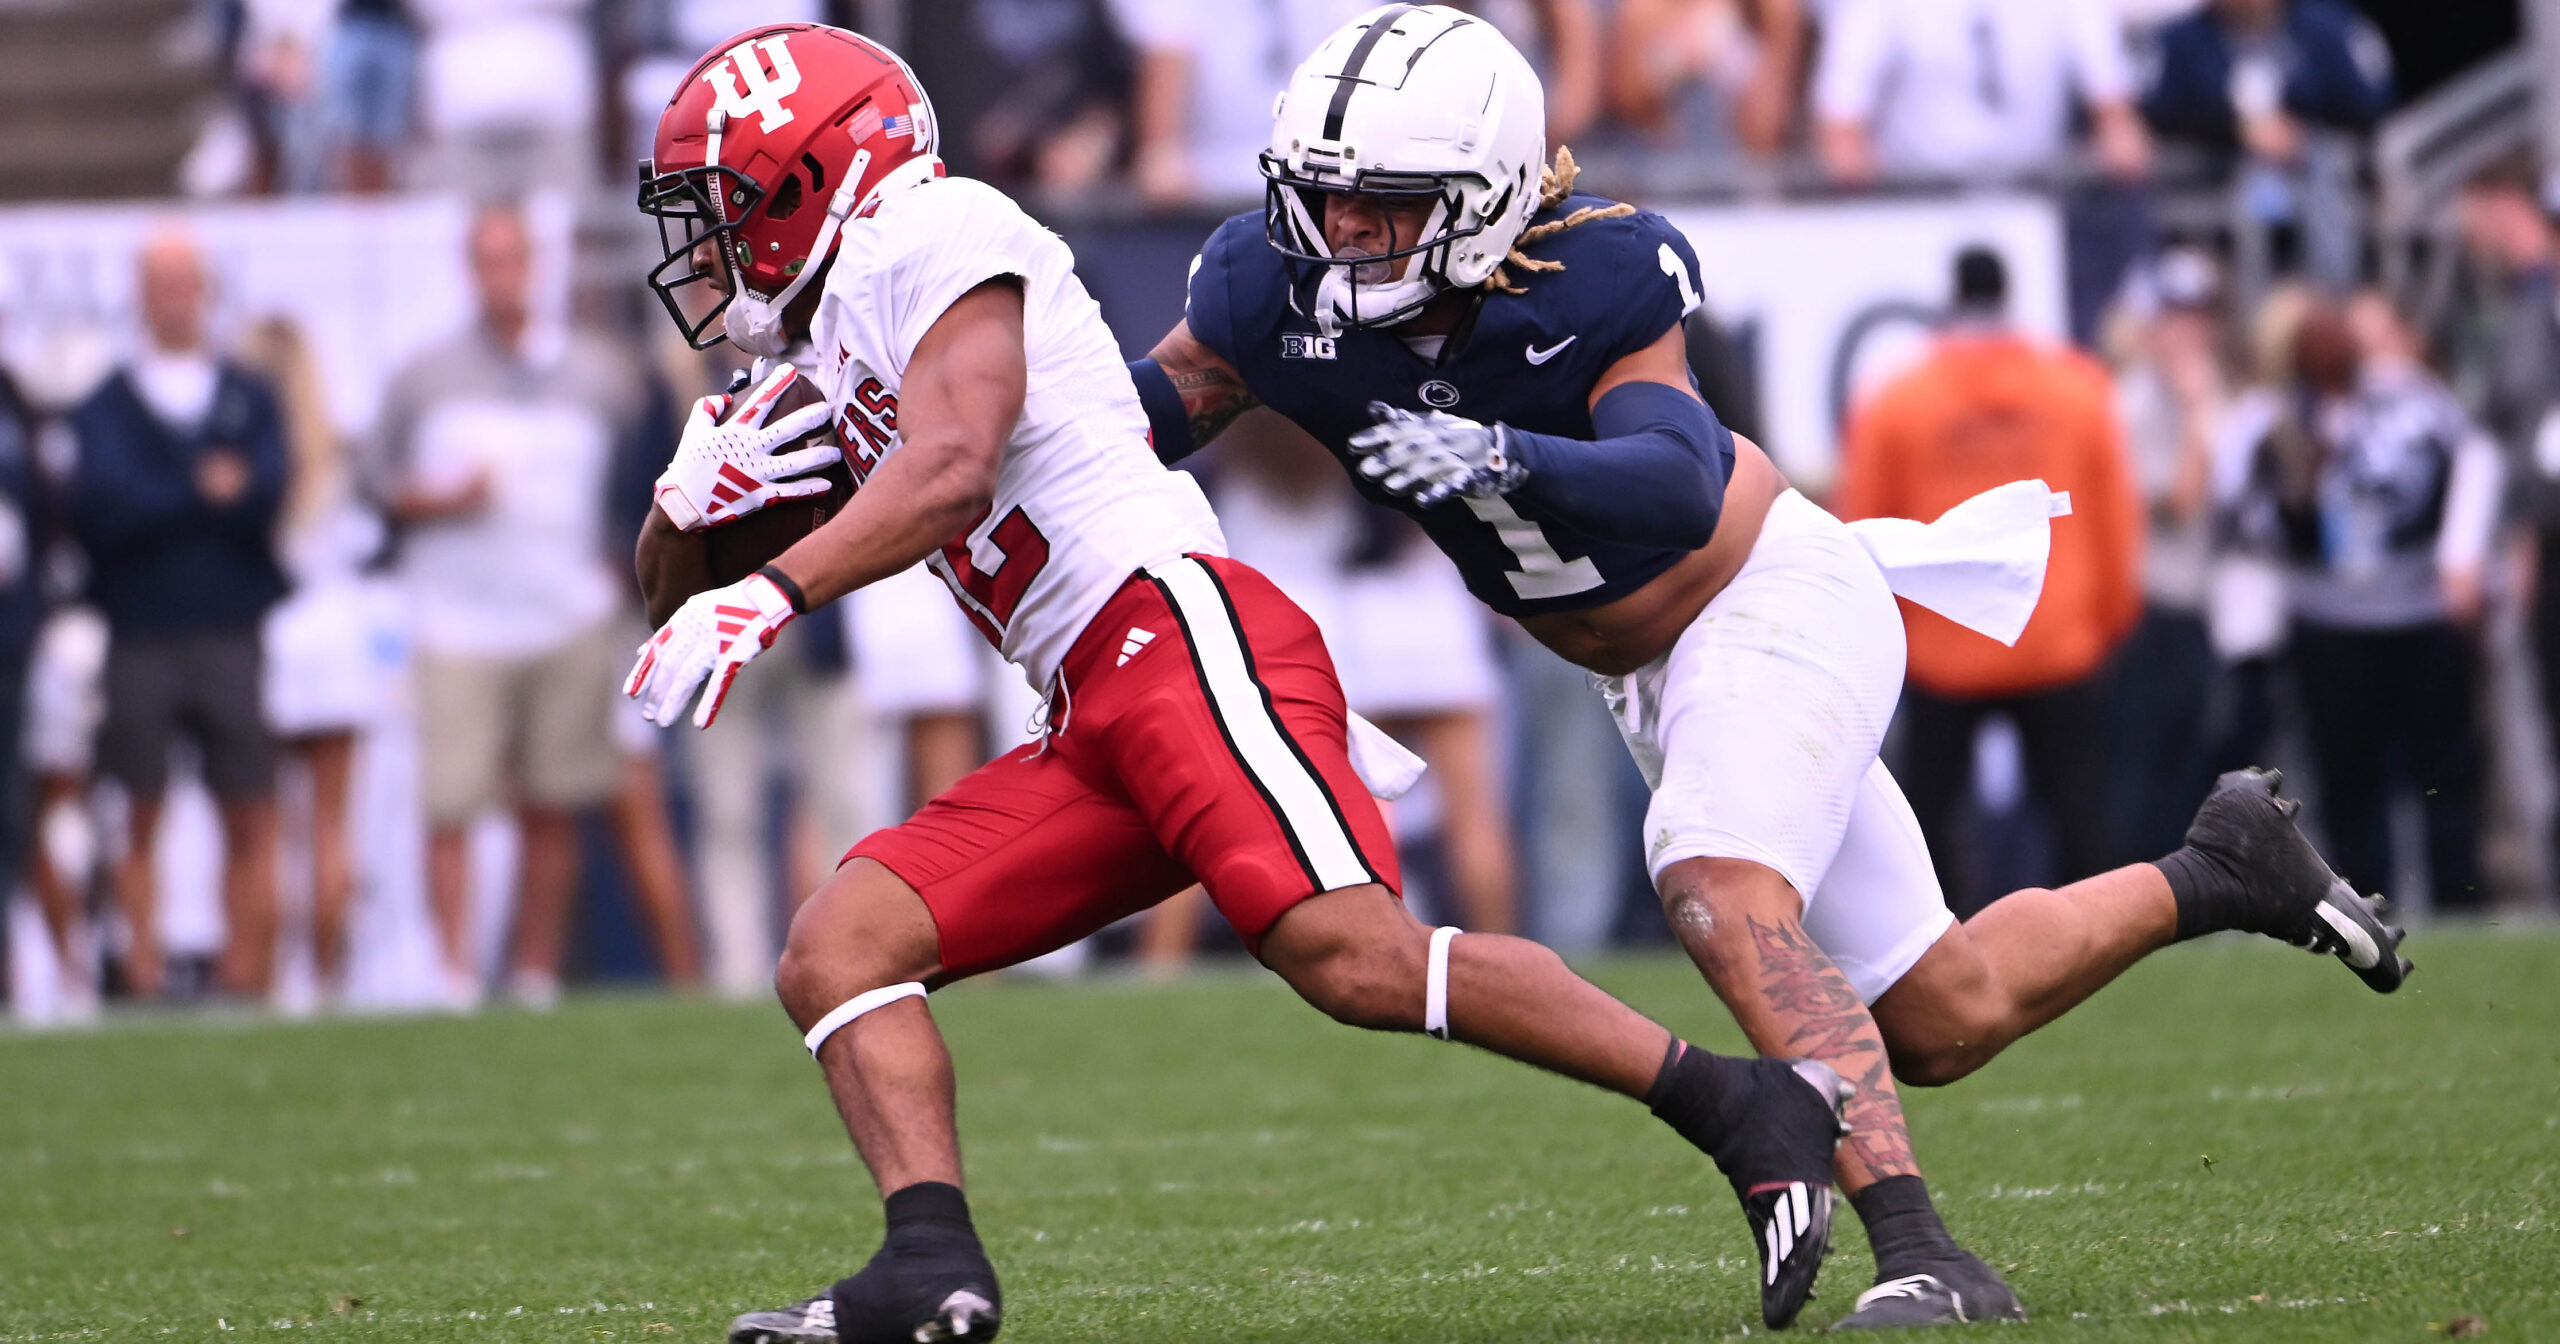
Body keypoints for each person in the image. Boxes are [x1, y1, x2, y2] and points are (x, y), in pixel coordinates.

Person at [1133, 4, 2409, 1325]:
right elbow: (1143, 419)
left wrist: (1511, 458)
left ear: (1486, 192)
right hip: (1644, 673)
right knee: (1946, 1013)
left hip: (1765, 596)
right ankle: (2222, 867)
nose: (1341, 237)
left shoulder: (1596, 272)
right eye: (1324, 199)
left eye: (1383, 207)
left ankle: (1925, 1253)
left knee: (1713, 875)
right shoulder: (1268, 292)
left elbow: (1676, 483)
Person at [628, 24, 1853, 1339]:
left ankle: (1743, 1103)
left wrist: (772, 586)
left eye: (728, 208)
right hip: (1089, 705)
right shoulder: (819, 355)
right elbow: (680, 607)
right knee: (838, 950)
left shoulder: (931, 231)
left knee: (1355, 961)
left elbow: (953, 469)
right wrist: (684, 514)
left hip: (1175, 632)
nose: (709, 246)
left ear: (815, 181)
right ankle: (931, 1267)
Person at [367, 203, 643, 1009]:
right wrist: (435, 499)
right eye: (485, 260)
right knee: (451, 801)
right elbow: (371, 487)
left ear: (537, 265)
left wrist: (612, 568)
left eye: (512, 258)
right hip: (457, 621)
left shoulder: (598, 373)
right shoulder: (424, 377)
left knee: (553, 801)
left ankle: (532, 972)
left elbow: (637, 483)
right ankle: (452, 971)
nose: (502, 276)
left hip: (565, 618)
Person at [1834, 247, 2145, 911]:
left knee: (1927, 821)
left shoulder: (1897, 401)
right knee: (2078, 813)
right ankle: (2096, 936)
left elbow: (1864, 524)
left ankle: (1938, 950)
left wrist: (1882, 639)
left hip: (1942, 643)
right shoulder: (2077, 390)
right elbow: (2115, 514)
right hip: (2055, 632)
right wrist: (2109, 621)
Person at [68, 225, 290, 1002]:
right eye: (158, 282)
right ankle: (144, 967)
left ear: (206, 290)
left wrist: (170, 501)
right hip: (142, 630)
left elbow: (266, 491)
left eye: (183, 281)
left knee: (249, 803)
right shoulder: (104, 403)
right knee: (140, 803)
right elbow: (102, 509)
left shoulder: (246, 392)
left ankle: (243, 970)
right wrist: (198, 492)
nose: (173, 298)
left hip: (229, 625)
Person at [2257, 298, 2500, 912]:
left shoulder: (2411, 397)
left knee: (2444, 775)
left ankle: (2459, 901)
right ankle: (2364, 911)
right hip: (2330, 619)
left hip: (2419, 612)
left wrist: (2461, 553)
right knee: (2348, 782)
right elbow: (2258, 508)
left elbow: (2478, 457)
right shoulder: (2284, 412)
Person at [235, 315, 378, 1006]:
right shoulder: (335, 449)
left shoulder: (242, 445)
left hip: (269, 632)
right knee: (329, 823)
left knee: (261, 826)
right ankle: (325, 983)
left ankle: (266, 988)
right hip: (333, 635)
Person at [1811, 0, 2150, 186]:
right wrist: (1850, 153)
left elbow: (2113, 105)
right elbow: (1842, 109)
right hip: (1921, 197)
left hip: (2036, 197)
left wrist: (2115, 131)